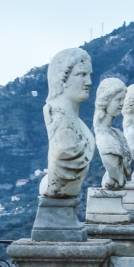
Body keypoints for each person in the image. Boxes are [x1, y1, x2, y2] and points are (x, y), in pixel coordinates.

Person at [40, 48, 95, 198]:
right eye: (81, 74)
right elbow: (62, 155)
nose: (89, 82)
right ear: (62, 80)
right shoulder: (58, 118)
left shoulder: (75, 121)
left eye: (90, 75)